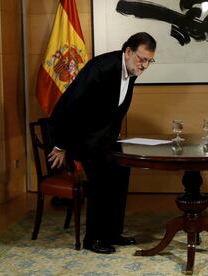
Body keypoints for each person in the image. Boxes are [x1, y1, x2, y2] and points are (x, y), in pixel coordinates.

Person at [47, 32, 157, 254]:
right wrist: (60, 144)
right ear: (128, 51)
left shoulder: (131, 71)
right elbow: (71, 105)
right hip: (80, 138)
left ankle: (113, 233)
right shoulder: (101, 68)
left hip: (102, 139)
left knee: (122, 170)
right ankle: (93, 238)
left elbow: (113, 111)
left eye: (149, 61)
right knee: (102, 177)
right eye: (141, 59)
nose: (144, 65)